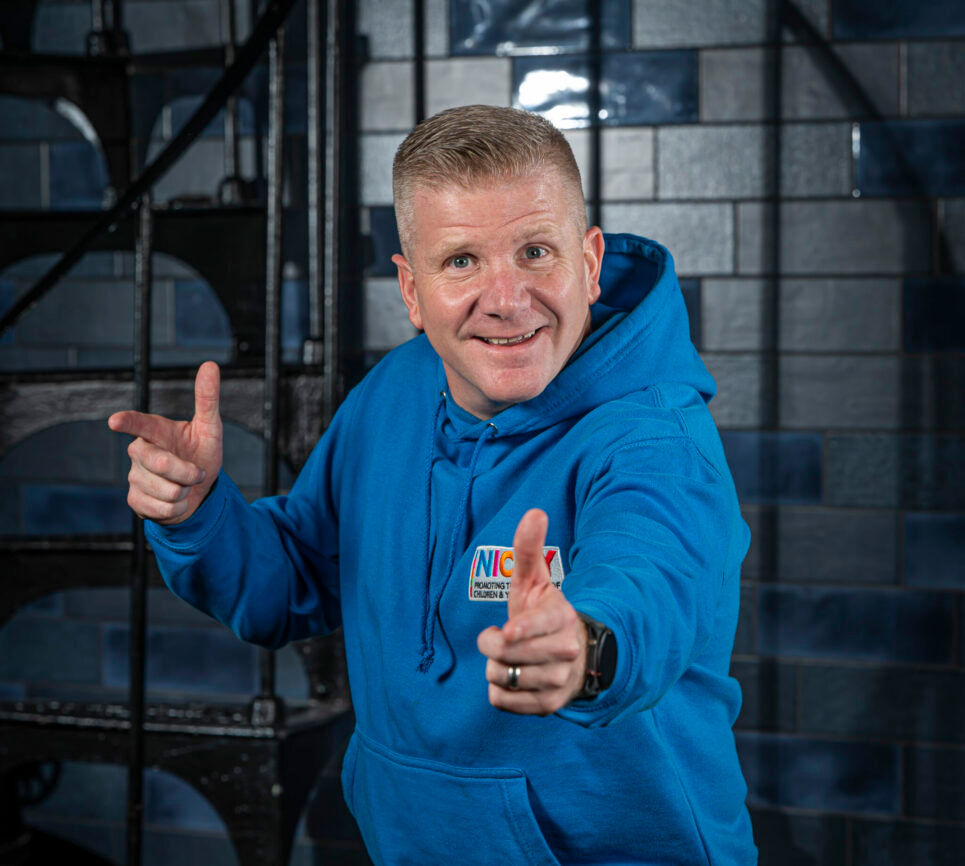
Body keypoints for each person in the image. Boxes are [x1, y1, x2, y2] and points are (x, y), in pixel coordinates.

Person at [109, 105, 757, 865]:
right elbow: (292, 578)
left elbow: (651, 576)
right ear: (411, 291)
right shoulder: (392, 396)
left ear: (587, 261)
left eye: (535, 252)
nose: (506, 298)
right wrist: (197, 515)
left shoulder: (654, 440)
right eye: (461, 262)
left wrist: (584, 648)